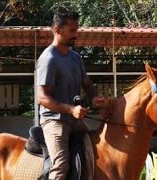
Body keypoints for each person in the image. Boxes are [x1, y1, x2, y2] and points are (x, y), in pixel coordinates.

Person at [36, 8, 106, 180]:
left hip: (76, 121)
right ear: (57, 30)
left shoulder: (76, 58)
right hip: (54, 121)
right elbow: (42, 98)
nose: (76, 35)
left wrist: (94, 97)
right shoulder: (48, 59)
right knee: (61, 166)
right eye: (72, 31)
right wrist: (70, 109)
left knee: (97, 156)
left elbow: (87, 84)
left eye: (77, 30)